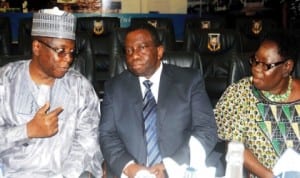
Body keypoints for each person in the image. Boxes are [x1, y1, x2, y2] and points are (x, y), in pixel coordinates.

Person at [99, 23, 219, 178]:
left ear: (159, 51)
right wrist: (129, 167)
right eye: (129, 51)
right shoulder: (114, 88)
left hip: (180, 170)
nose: (134, 55)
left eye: (142, 48)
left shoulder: (189, 81)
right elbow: (107, 135)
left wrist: (170, 166)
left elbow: (206, 130)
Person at [0, 7, 103, 178]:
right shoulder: (5, 81)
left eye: (71, 52)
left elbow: (87, 144)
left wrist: (65, 176)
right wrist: (27, 130)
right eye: (60, 51)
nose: (68, 59)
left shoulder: (80, 88)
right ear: (37, 47)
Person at [214, 35, 300, 178]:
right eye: (255, 61)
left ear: (287, 67)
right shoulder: (240, 93)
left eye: (265, 65)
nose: (255, 69)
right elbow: (234, 146)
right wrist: (270, 176)